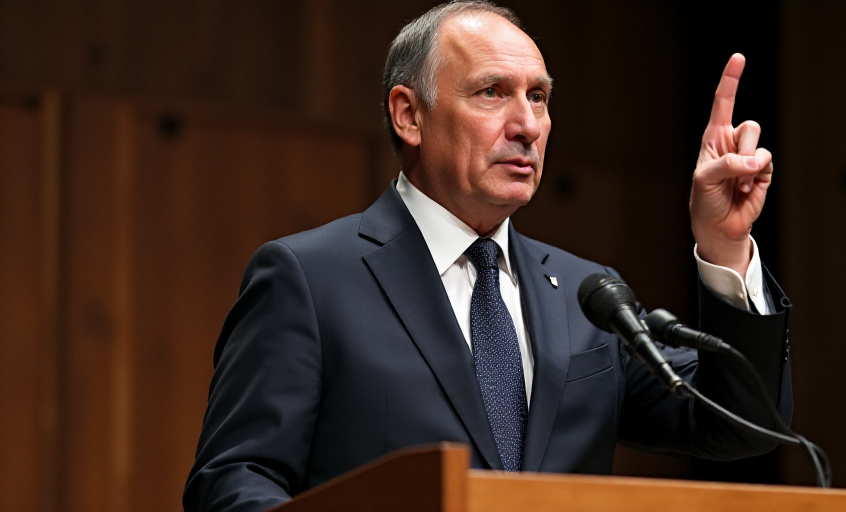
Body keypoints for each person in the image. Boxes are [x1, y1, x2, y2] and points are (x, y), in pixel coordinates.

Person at [184, 2, 792, 511]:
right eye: (492, 92)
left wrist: (725, 245)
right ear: (409, 114)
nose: (527, 124)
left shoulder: (591, 296)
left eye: (540, 97)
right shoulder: (311, 279)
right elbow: (233, 482)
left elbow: (742, 424)